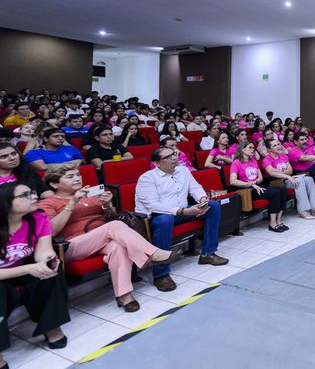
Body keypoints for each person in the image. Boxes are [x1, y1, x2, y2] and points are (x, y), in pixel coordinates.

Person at [39, 162, 181, 312]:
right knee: (114, 227)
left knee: (118, 247)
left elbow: (112, 217)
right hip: (72, 245)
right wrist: (72, 202)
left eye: (78, 175)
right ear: (54, 184)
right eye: (70, 177)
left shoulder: (91, 196)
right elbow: (52, 230)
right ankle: (153, 253)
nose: (77, 179)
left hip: (103, 240)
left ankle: (124, 295)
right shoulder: (48, 202)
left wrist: (107, 205)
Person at [135, 147, 228, 292]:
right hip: (158, 216)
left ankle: (208, 254)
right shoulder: (147, 178)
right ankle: (161, 275)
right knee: (165, 221)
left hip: (183, 212)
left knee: (213, 206)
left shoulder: (183, 170)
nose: (174, 158)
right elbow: (153, 206)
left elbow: (195, 187)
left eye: (173, 154)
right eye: (168, 157)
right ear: (157, 163)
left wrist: (202, 199)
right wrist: (184, 211)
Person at [0, 182, 70, 361]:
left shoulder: (38, 218)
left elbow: (43, 253)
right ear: (5, 202)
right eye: (25, 195)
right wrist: (30, 268)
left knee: (52, 272)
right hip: (4, 276)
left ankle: (51, 326)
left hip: (20, 270)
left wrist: (49, 261)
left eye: (32, 192)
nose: (34, 197)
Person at [230, 141, 289, 231]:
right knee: (275, 193)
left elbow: (260, 177)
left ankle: (279, 221)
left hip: (258, 185)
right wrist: (250, 183)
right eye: (250, 147)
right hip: (248, 189)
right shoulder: (236, 163)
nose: (252, 150)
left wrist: (256, 181)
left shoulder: (253, 160)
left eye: (253, 148)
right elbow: (233, 181)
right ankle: (272, 224)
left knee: (283, 189)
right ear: (242, 149)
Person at [263, 138, 315, 220]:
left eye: (278, 144)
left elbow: (290, 170)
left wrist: (279, 172)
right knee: (300, 181)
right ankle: (303, 210)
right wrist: (286, 175)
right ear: (269, 149)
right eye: (274, 145)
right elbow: (272, 173)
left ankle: (314, 207)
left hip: (288, 179)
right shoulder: (267, 159)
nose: (278, 146)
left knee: (309, 179)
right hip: (277, 182)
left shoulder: (283, 156)